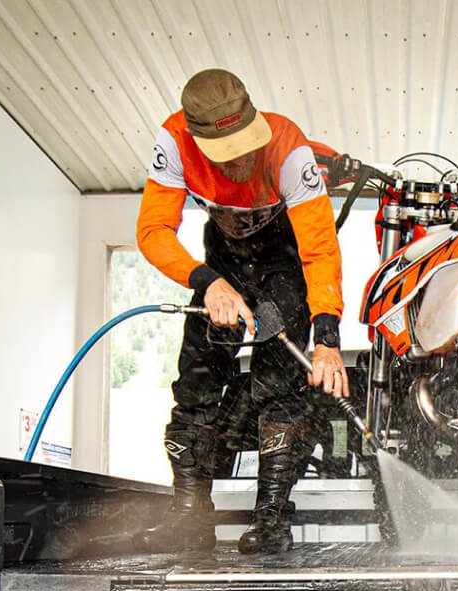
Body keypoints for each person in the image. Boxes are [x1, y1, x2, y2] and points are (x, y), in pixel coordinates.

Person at [135, 68, 348, 554]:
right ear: (197, 138)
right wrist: (208, 284)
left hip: (283, 266)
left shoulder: (289, 148)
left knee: (279, 389)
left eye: (248, 144)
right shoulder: (173, 140)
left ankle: (271, 521)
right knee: (195, 386)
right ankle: (189, 516)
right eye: (228, 153)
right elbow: (153, 231)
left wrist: (328, 338)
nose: (242, 160)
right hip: (221, 267)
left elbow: (319, 249)